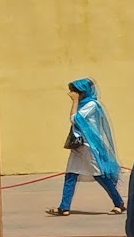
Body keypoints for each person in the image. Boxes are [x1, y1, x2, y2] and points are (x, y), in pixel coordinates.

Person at [48, 78, 125, 217]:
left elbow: (75, 119)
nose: (73, 93)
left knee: (100, 176)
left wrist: (75, 102)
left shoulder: (92, 105)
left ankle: (119, 203)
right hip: (79, 146)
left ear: (83, 92)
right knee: (71, 175)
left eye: (76, 91)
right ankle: (64, 207)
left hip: (89, 147)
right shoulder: (83, 104)